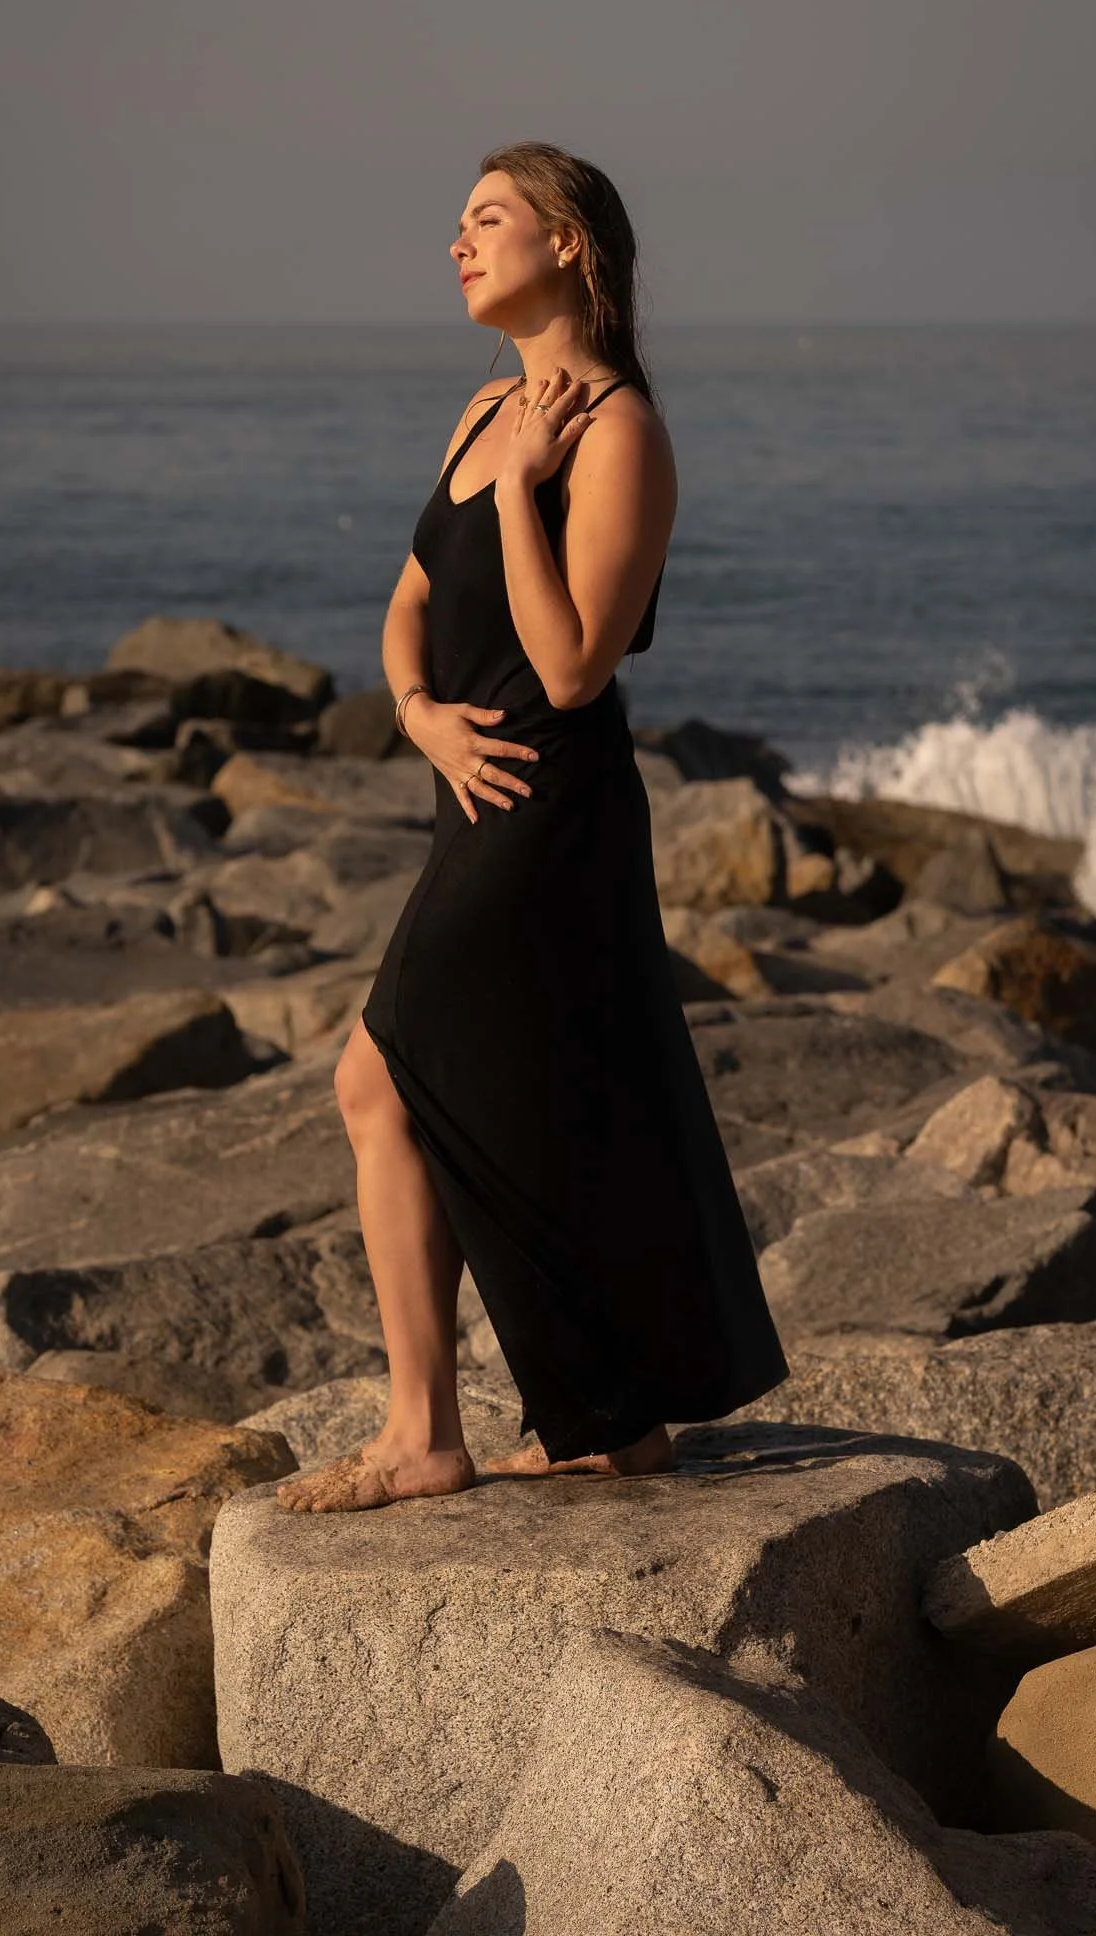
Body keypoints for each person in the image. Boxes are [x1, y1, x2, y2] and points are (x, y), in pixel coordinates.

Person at [278, 141, 787, 1514]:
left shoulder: (619, 433)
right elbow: (406, 600)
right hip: (471, 793)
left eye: (487, 219)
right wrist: (417, 713)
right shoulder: (476, 409)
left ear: (571, 243)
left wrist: (520, 493)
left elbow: (572, 667)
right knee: (550, 1097)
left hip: (549, 813)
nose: (457, 242)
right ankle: (602, 1422)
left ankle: (425, 1434)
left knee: (381, 1081)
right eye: (456, 223)